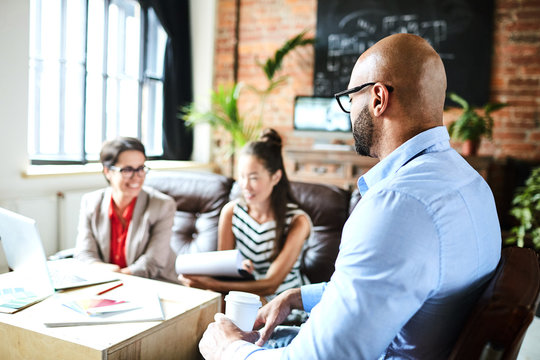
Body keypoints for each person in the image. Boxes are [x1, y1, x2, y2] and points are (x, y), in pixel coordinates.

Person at [198, 33, 502, 359]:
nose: (348, 111)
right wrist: (298, 296)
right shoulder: (471, 183)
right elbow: (392, 285)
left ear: (378, 99)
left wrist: (229, 349)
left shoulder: (397, 207)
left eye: (349, 97)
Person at [178, 129, 312, 303]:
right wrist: (238, 267)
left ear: (276, 177)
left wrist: (210, 284)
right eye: (242, 176)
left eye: (254, 178)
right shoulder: (231, 212)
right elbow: (224, 270)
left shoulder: (297, 221)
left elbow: (271, 285)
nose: (245, 186)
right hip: (244, 296)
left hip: (285, 303)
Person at [74, 137, 177, 282]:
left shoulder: (163, 205)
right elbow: (84, 254)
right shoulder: (91, 202)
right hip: (106, 282)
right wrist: (106, 272)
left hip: (155, 282)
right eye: (127, 170)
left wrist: (117, 277)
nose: (137, 177)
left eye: (141, 168)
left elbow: (152, 262)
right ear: (107, 171)